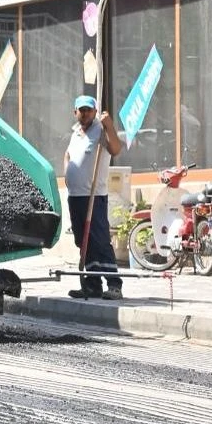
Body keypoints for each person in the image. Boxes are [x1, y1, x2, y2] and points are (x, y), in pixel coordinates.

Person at [62, 94, 125, 300]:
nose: (86, 113)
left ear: (95, 112)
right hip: (76, 196)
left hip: (94, 196)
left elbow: (115, 148)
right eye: (82, 110)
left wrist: (110, 126)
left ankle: (114, 284)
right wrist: (68, 171)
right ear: (75, 112)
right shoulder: (75, 133)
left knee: (99, 239)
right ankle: (91, 285)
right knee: (83, 241)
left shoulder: (100, 130)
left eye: (89, 110)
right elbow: (68, 155)